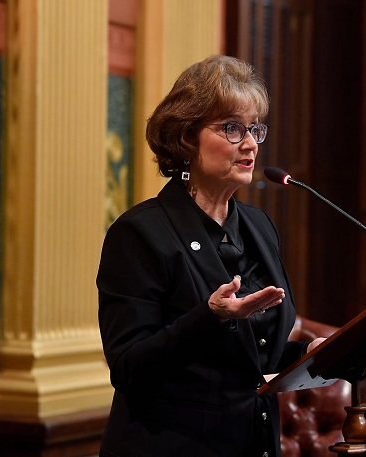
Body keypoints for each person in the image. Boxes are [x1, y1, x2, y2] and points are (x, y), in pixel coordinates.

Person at [96, 55, 325, 457]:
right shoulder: (140, 233)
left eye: (254, 128)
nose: (251, 142)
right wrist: (211, 316)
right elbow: (129, 367)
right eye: (232, 128)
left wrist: (307, 354)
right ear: (186, 137)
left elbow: (249, 357)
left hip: (255, 442)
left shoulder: (258, 227)